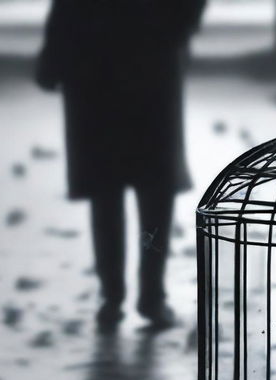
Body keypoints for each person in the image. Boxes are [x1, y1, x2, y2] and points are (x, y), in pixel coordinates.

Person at [36, 0, 206, 330]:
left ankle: (112, 296)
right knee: (155, 193)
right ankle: (151, 296)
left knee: (106, 191)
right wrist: (177, 28)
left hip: (93, 65)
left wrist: (54, 54)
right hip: (151, 62)